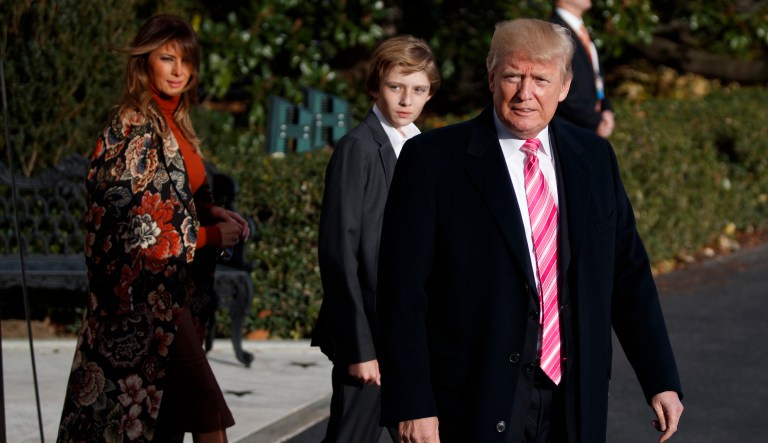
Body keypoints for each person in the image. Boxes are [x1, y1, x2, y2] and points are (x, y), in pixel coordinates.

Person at [377, 18, 683, 443]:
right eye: (512, 77)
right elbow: (400, 294)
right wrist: (412, 404)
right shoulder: (431, 161)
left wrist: (659, 377)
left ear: (564, 85)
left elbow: (626, 274)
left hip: (573, 401)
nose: (525, 93)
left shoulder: (593, 158)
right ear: (491, 78)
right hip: (472, 401)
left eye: (540, 79)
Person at [56, 14, 249, 443]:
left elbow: (176, 195)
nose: (179, 71)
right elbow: (133, 226)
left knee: (169, 422)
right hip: (143, 303)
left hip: (174, 298)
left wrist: (213, 214)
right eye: (167, 59)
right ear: (145, 63)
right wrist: (212, 237)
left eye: (187, 61)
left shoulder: (175, 122)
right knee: (207, 411)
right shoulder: (131, 127)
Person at [311, 35, 441, 442]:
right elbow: (338, 251)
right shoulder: (357, 148)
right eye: (395, 86)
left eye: (418, 89)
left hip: (414, 331)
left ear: (430, 94)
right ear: (374, 87)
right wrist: (358, 346)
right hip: (368, 332)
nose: (406, 99)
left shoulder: (426, 148)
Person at [550, 0, 615, 138]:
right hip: (569, 131)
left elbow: (596, 75)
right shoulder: (555, 31)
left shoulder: (581, 29)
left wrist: (606, 109)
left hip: (589, 128)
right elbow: (559, 86)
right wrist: (596, 122)